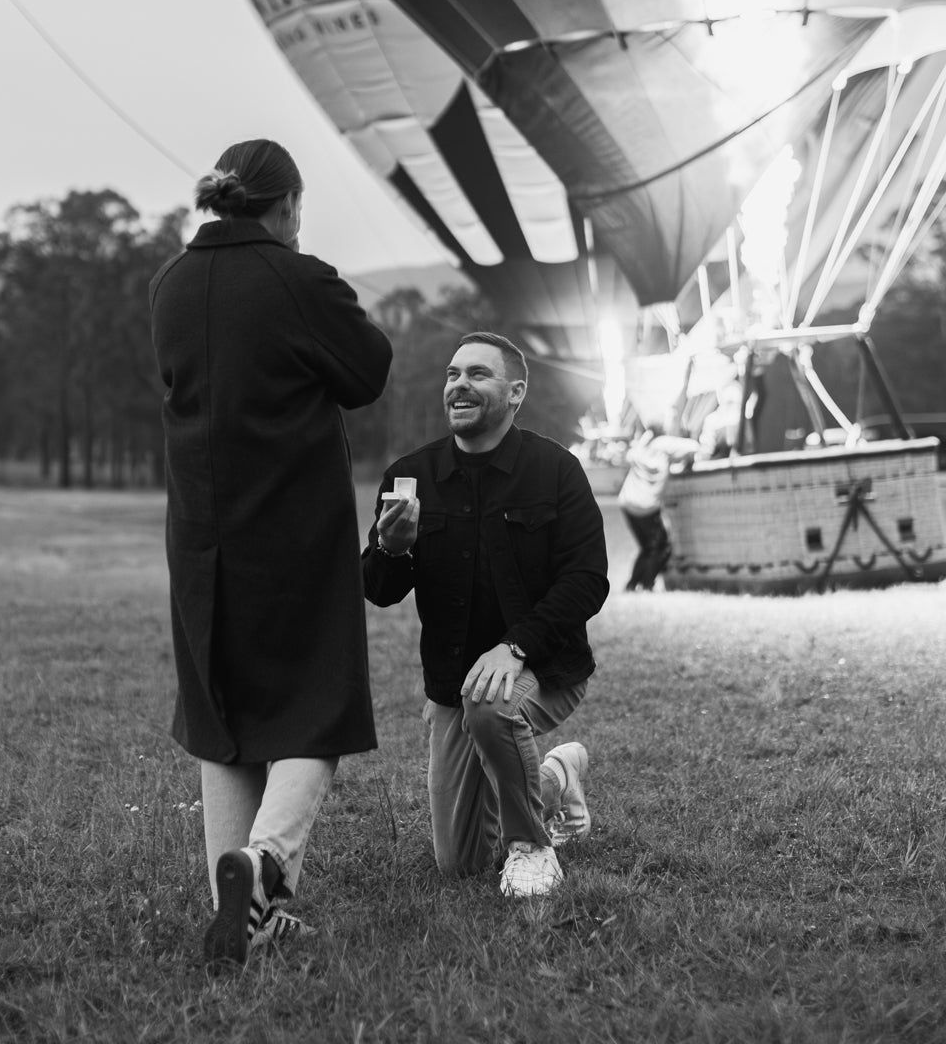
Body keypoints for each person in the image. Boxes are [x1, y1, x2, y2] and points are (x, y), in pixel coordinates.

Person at [149, 139, 393, 965]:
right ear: (285, 204)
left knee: (225, 717)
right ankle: (262, 869)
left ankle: (244, 912)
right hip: (292, 533)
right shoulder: (300, 277)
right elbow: (368, 372)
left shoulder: (170, 285)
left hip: (200, 540)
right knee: (313, 707)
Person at [363, 332, 608, 899]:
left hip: (546, 668)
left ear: (515, 392)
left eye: (478, 374)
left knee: (492, 704)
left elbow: (587, 579)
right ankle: (556, 775)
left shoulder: (556, 470)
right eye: (452, 375)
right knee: (460, 862)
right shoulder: (411, 476)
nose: (459, 385)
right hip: (455, 686)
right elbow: (377, 589)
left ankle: (532, 848)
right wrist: (393, 548)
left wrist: (515, 646)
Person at [617, 424, 700, 591]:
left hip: (628, 502)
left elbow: (628, 456)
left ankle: (632, 584)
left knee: (648, 547)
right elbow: (694, 446)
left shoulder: (639, 448)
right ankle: (647, 584)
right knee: (662, 546)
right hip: (647, 505)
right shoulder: (664, 444)